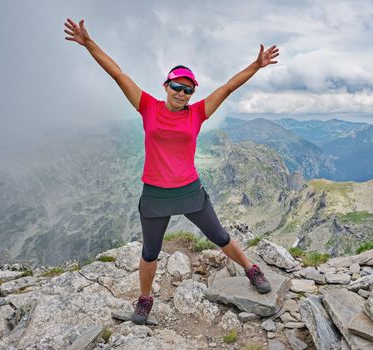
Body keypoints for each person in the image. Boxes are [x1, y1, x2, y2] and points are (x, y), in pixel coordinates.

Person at [64, 18, 279, 325]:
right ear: (166, 86)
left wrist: (256, 65)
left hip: (190, 192)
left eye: (188, 90)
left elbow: (229, 87)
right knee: (150, 252)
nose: (182, 93)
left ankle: (250, 269)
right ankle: (144, 300)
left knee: (219, 236)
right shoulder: (147, 106)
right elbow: (117, 73)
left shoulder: (197, 114)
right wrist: (88, 43)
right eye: (177, 87)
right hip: (155, 196)